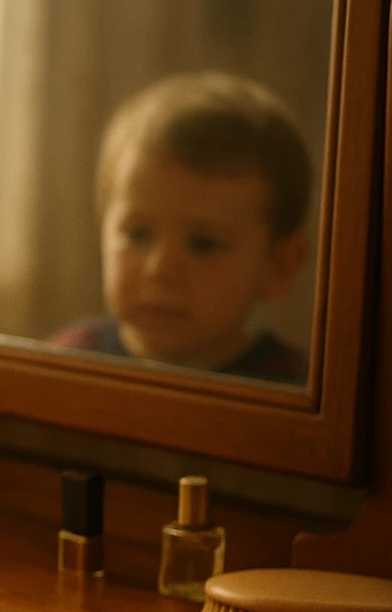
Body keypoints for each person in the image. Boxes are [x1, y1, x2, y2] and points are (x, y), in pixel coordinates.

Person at [49, 71, 311, 384]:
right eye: (138, 234)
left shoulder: (295, 394)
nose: (160, 270)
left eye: (203, 244)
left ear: (279, 267)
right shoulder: (67, 360)